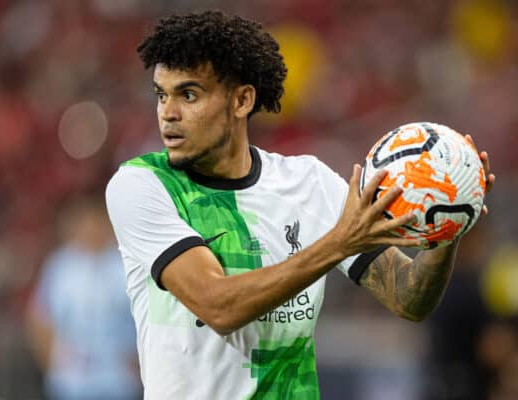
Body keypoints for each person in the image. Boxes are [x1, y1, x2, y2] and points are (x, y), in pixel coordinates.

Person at [105, 10, 495, 399]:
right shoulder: (141, 185)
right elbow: (218, 305)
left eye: (188, 94)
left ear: (242, 100)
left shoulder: (311, 183)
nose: (167, 113)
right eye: (161, 94)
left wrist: (446, 218)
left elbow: (409, 297)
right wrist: (338, 244)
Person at [27, 197, 142, 400]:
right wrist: (52, 362)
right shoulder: (60, 265)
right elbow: (40, 318)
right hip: (71, 381)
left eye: (96, 222)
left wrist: (140, 363)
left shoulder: (126, 264)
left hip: (119, 380)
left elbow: (145, 316)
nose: (90, 229)